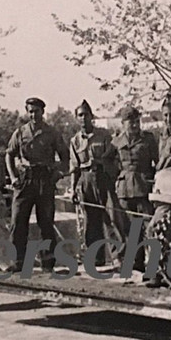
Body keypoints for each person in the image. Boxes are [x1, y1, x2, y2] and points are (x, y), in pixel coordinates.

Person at [5, 97, 69, 272]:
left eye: (37, 111)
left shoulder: (52, 133)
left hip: (44, 180)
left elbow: (65, 156)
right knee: (18, 221)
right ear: (27, 112)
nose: (34, 115)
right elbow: (9, 155)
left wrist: (57, 175)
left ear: (43, 112)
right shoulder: (20, 133)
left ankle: (48, 262)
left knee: (46, 222)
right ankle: (18, 262)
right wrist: (13, 177)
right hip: (25, 180)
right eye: (30, 111)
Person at [69, 99, 121, 268]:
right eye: (80, 115)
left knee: (110, 218)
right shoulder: (75, 141)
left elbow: (113, 159)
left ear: (92, 116)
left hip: (103, 178)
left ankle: (118, 258)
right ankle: (96, 259)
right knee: (91, 221)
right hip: (85, 180)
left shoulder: (104, 135)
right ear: (77, 118)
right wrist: (73, 190)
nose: (83, 118)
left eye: (86, 114)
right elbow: (74, 168)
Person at [111, 104, 159, 273]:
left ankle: (155, 265)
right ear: (122, 123)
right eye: (130, 122)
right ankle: (135, 263)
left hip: (143, 186)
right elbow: (109, 163)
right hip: (124, 189)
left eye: (137, 121)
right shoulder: (116, 142)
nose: (134, 125)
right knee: (129, 228)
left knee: (149, 226)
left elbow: (157, 161)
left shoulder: (148, 139)